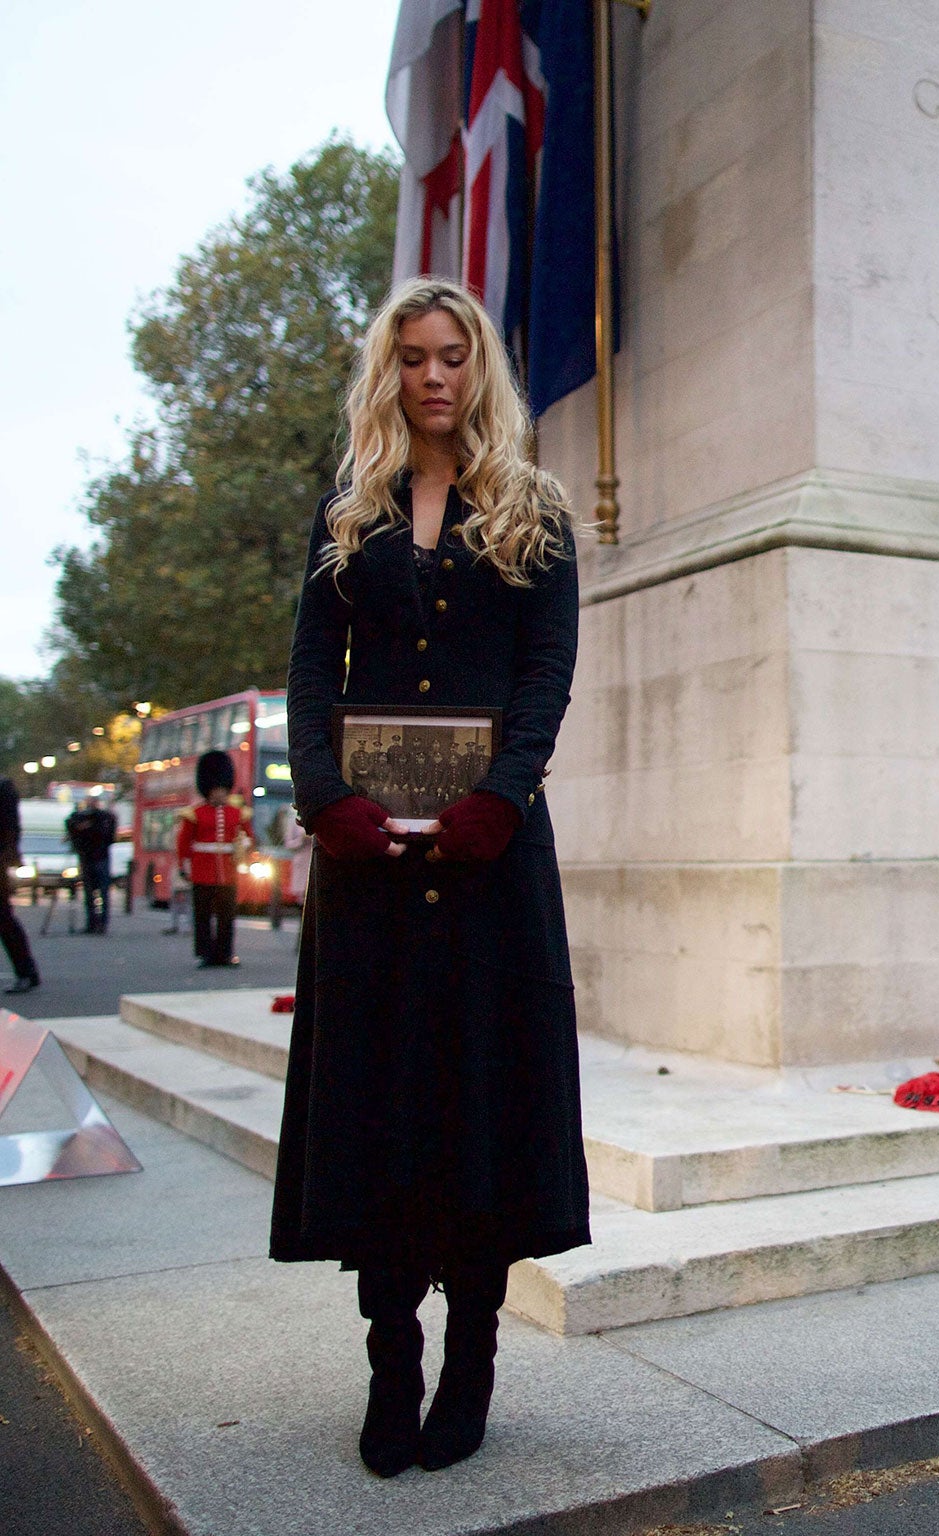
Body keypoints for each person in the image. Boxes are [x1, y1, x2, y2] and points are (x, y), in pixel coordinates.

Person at [273, 277, 588, 1479]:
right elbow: (310, 673)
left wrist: (497, 801)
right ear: (389, 373)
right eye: (413, 357)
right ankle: (390, 1363)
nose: (436, 376)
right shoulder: (345, 512)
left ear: (480, 368)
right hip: (368, 865)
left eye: (454, 355)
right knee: (382, 1108)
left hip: (488, 860)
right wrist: (323, 798)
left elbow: (543, 673)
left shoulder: (537, 510)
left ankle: (470, 1361)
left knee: (476, 1110)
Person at [175, 751, 250, 968]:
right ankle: (206, 953)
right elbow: (184, 843)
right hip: (202, 870)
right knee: (203, 915)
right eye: (216, 790)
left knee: (227, 916)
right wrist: (183, 866)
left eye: (222, 790)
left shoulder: (237, 813)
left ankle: (225, 953)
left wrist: (244, 847)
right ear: (208, 790)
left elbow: (249, 838)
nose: (220, 794)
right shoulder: (195, 813)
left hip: (228, 870)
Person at [0, 777, 37, 994]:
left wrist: (8, 857)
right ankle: (26, 971)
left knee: (4, 919)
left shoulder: (3, 789)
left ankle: (26, 971)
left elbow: (11, 828)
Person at [65, 793, 119, 934]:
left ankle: (98, 924)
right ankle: (95, 923)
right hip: (92, 857)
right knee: (93, 893)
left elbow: (108, 834)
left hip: (96, 857)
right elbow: (71, 825)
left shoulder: (103, 818)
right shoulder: (88, 818)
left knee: (98, 892)